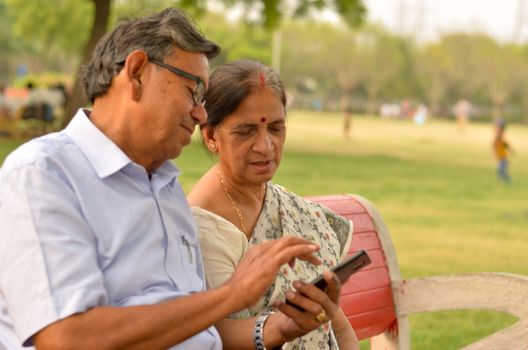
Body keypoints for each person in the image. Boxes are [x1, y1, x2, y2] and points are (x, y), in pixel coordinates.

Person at [0, 9, 345, 350]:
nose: (201, 113)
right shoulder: (44, 175)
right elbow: (68, 338)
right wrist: (232, 294)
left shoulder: (164, 188)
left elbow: (195, 331)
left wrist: (277, 328)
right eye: (193, 91)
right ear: (136, 73)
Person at [187, 60, 359, 350]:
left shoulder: (287, 205)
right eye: (246, 131)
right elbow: (210, 336)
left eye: (276, 129)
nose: (265, 146)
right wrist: (278, 328)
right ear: (211, 136)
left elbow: (336, 325)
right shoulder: (202, 226)